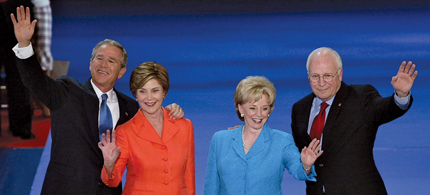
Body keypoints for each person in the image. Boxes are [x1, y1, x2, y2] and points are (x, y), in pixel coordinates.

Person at [11, 6, 184, 194]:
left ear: (121, 72)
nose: (103, 65)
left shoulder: (131, 108)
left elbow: (155, 133)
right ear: (90, 64)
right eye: (99, 58)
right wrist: (24, 44)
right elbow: (35, 81)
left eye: (111, 61)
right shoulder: (67, 91)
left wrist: (171, 111)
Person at [291, 47, 417, 195]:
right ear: (308, 77)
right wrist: (305, 167)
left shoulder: (361, 97)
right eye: (315, 76)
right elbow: (300, 158)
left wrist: (401, 95)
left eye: (327, 75)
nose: (321, 82)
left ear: (340, 74)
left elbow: (386, 109)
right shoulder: (300, 109)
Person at [204, 76, 323, 195]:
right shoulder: (220, 140)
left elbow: (298, 171)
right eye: (252, 108)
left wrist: (306, 165)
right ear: (241, 108)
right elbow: (211, 188)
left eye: (264, 108)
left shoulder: (282, 141)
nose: (259, 114)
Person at [99, 62, 195, 195]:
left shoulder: (185, 126)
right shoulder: (125, 132)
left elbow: (188, 178)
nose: (149, 98)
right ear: (135, 95)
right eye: (142, 91)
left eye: (155, 90)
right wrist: (109, 165)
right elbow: (113, 181)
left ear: (164, 92)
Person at [0, 0, 34, 139]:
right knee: (19, 73)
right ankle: (21, 127)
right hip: (17, 7)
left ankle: (21, 126)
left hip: (18, 8)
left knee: (20, 72)